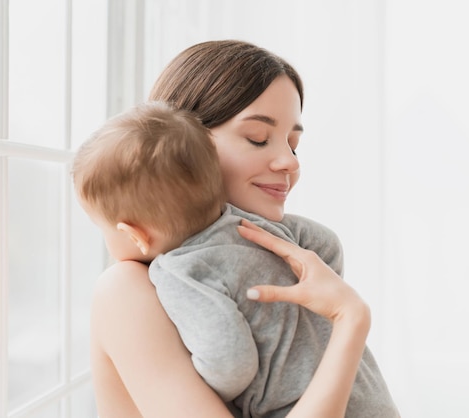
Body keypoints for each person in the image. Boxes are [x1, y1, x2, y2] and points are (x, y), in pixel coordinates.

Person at [82, 40, 399, 417]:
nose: (288, 162)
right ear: (186, 142)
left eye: (294, 145)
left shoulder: (262, 252)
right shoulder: (129, 288)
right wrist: (351, 320)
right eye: (258, 138)